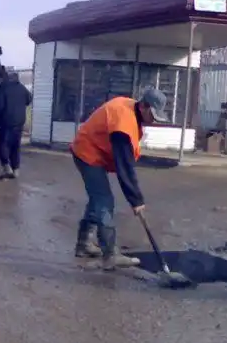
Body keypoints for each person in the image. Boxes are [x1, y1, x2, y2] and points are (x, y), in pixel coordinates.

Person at [70, 88, 169, 270]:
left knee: (97, 198)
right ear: (144, 106)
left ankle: (84, 244)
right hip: (87, 152)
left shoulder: (133, 112)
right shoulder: (123, 124)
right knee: (104, 200)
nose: (153, 121)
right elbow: (125, 168)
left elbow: (125, 162)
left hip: (95, 151)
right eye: (153, 116)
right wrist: (136, 200)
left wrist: (135, 199)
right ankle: (110, 255)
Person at [0, 72, 32, 180]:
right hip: (19, 122)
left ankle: (7, 169)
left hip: (6, 123)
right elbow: (29, 100)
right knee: (15, 146)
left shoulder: (2, 88)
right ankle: (16, 170)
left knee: (2, 145)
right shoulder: (22, 88)